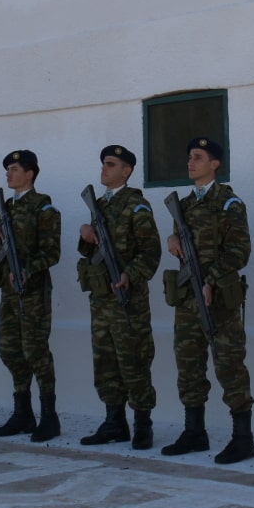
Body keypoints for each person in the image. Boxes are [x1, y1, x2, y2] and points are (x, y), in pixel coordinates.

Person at [161, 136, 254, 464]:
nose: (191, 162)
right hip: (187, 298)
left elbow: (239, 251)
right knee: (188, 365)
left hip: (218, 300)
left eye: (198, 157)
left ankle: (243, 438)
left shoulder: (229, 203)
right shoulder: (184, 205)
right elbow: (181, 247)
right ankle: (194, 432)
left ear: (215, 164)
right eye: (190, 156)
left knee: (229, 365)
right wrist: (172, 238)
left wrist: (211, 280)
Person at [75, 143, 161, 450]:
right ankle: (114, 422)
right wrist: (86, 234)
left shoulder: (137, 206)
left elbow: (151, 253)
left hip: (128, 301)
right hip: (101, 300)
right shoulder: (100, 205)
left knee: (134, 361)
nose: (104, 168)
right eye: (103, 163)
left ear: (127, 171)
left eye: (111, 164)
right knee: (105, 362)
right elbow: (91, 250)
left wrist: (129, 274)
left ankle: (142, 425)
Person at [0, 149, 61, 442]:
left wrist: (29, 269)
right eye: (8, 169)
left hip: (33, 291)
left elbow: (52, 252)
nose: (9, 173)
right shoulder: (5, 208)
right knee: (10, 350)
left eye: (15, 169)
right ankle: (22, 413)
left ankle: (49, 417)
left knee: (36, 351)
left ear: (30, 174)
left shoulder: (43, 207)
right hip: (9, 291)